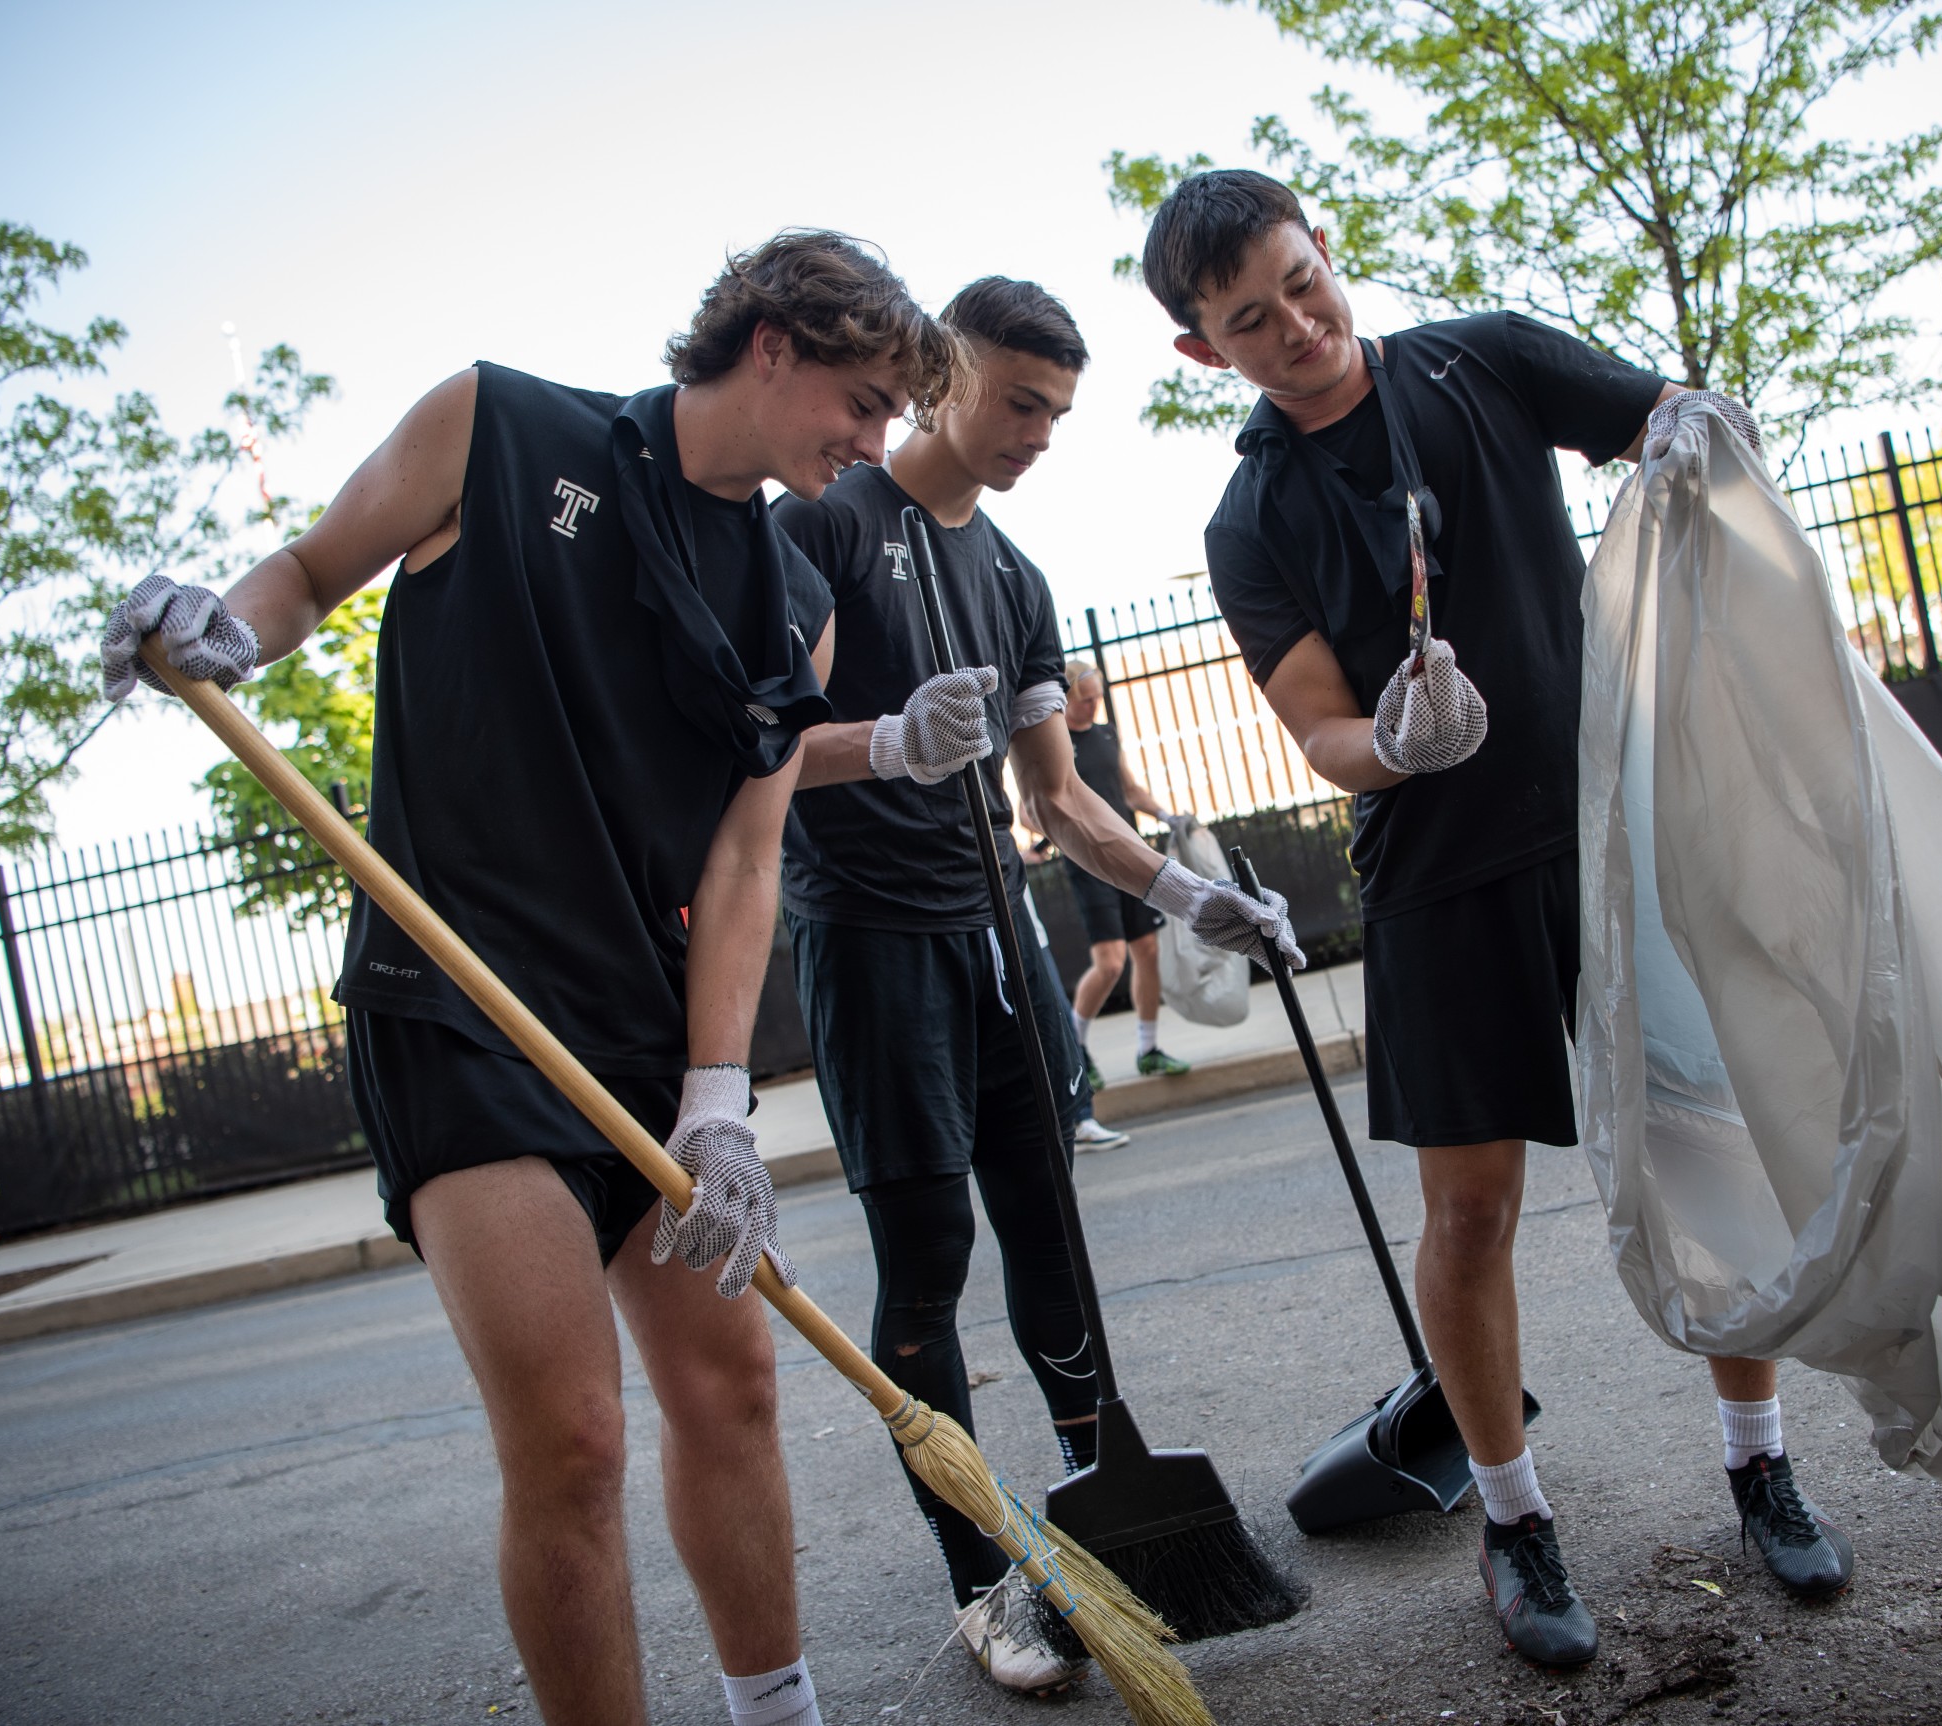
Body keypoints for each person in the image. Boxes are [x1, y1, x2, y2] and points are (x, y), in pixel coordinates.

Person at [98, 232, 961, 1726]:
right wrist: (221, 629)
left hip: (642, 1028)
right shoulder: (497, 428)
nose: (873, 443)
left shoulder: (784, 593)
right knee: (572, 1436)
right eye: (866, 399)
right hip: (459, 1004)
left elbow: (746, 861)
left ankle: (782, 1709)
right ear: (773, 342)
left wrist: (719, 1105)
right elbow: (307, 572)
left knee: (734, 1389)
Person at [1133, 171, 1854, 1669]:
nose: (1297, 327)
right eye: (1250, 321)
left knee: (1701, 1151)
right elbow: (1316, 729)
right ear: (1206, 353)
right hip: (1440, 878)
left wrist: (1694, 424)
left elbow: (1660, 416)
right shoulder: (1251, 513)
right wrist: (1392, 744)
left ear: (1326, 244)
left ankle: (1758, 1463)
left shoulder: (1488, 356)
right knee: (1471, 1213)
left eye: (1300, 282)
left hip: (1609, 839)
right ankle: (1513, 1522)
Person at [770, 276, 1300, 1694]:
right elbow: (756, 748)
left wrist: (1189, 894)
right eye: (1017, 402)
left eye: (1057, 413)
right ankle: (982, 1579)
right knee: (927, 1261)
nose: (1036, 433)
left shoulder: (1014, 577)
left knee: (1049, 1228)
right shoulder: (821, 523)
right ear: (940, 379)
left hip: (994, 933)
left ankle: (1098, 1506)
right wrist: (879, 740)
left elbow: (1058, 799)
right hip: (871, 944)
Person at [1057, 657, 1200, 1106]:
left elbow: (1130, 790)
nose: (1094, 705)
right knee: (1112, 962)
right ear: (1065, 697)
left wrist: (1165, 815)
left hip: (1128, 856)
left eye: (1098, 696)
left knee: (1148, 951)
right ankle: (1073, 1049)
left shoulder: (1105, 734)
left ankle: (1148, 1048)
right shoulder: (1055, 740)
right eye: (1085, 699)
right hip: (1087, 861)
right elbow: (1036, 802)